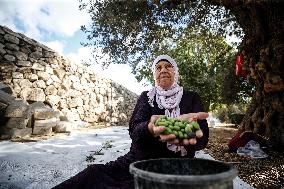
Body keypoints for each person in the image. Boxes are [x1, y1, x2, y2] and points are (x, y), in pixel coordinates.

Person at [52, 55, 209, 189]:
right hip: (138, 162)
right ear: (154, 73)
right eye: (158, 67)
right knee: (92, 175)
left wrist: (187, 132)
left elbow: (202, 138)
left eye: (168, 66)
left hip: (175, 168)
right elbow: (134, 130)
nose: (163, 70)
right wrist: (150, 128)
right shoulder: (147, 97)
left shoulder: (191, 97)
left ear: (175, 71)